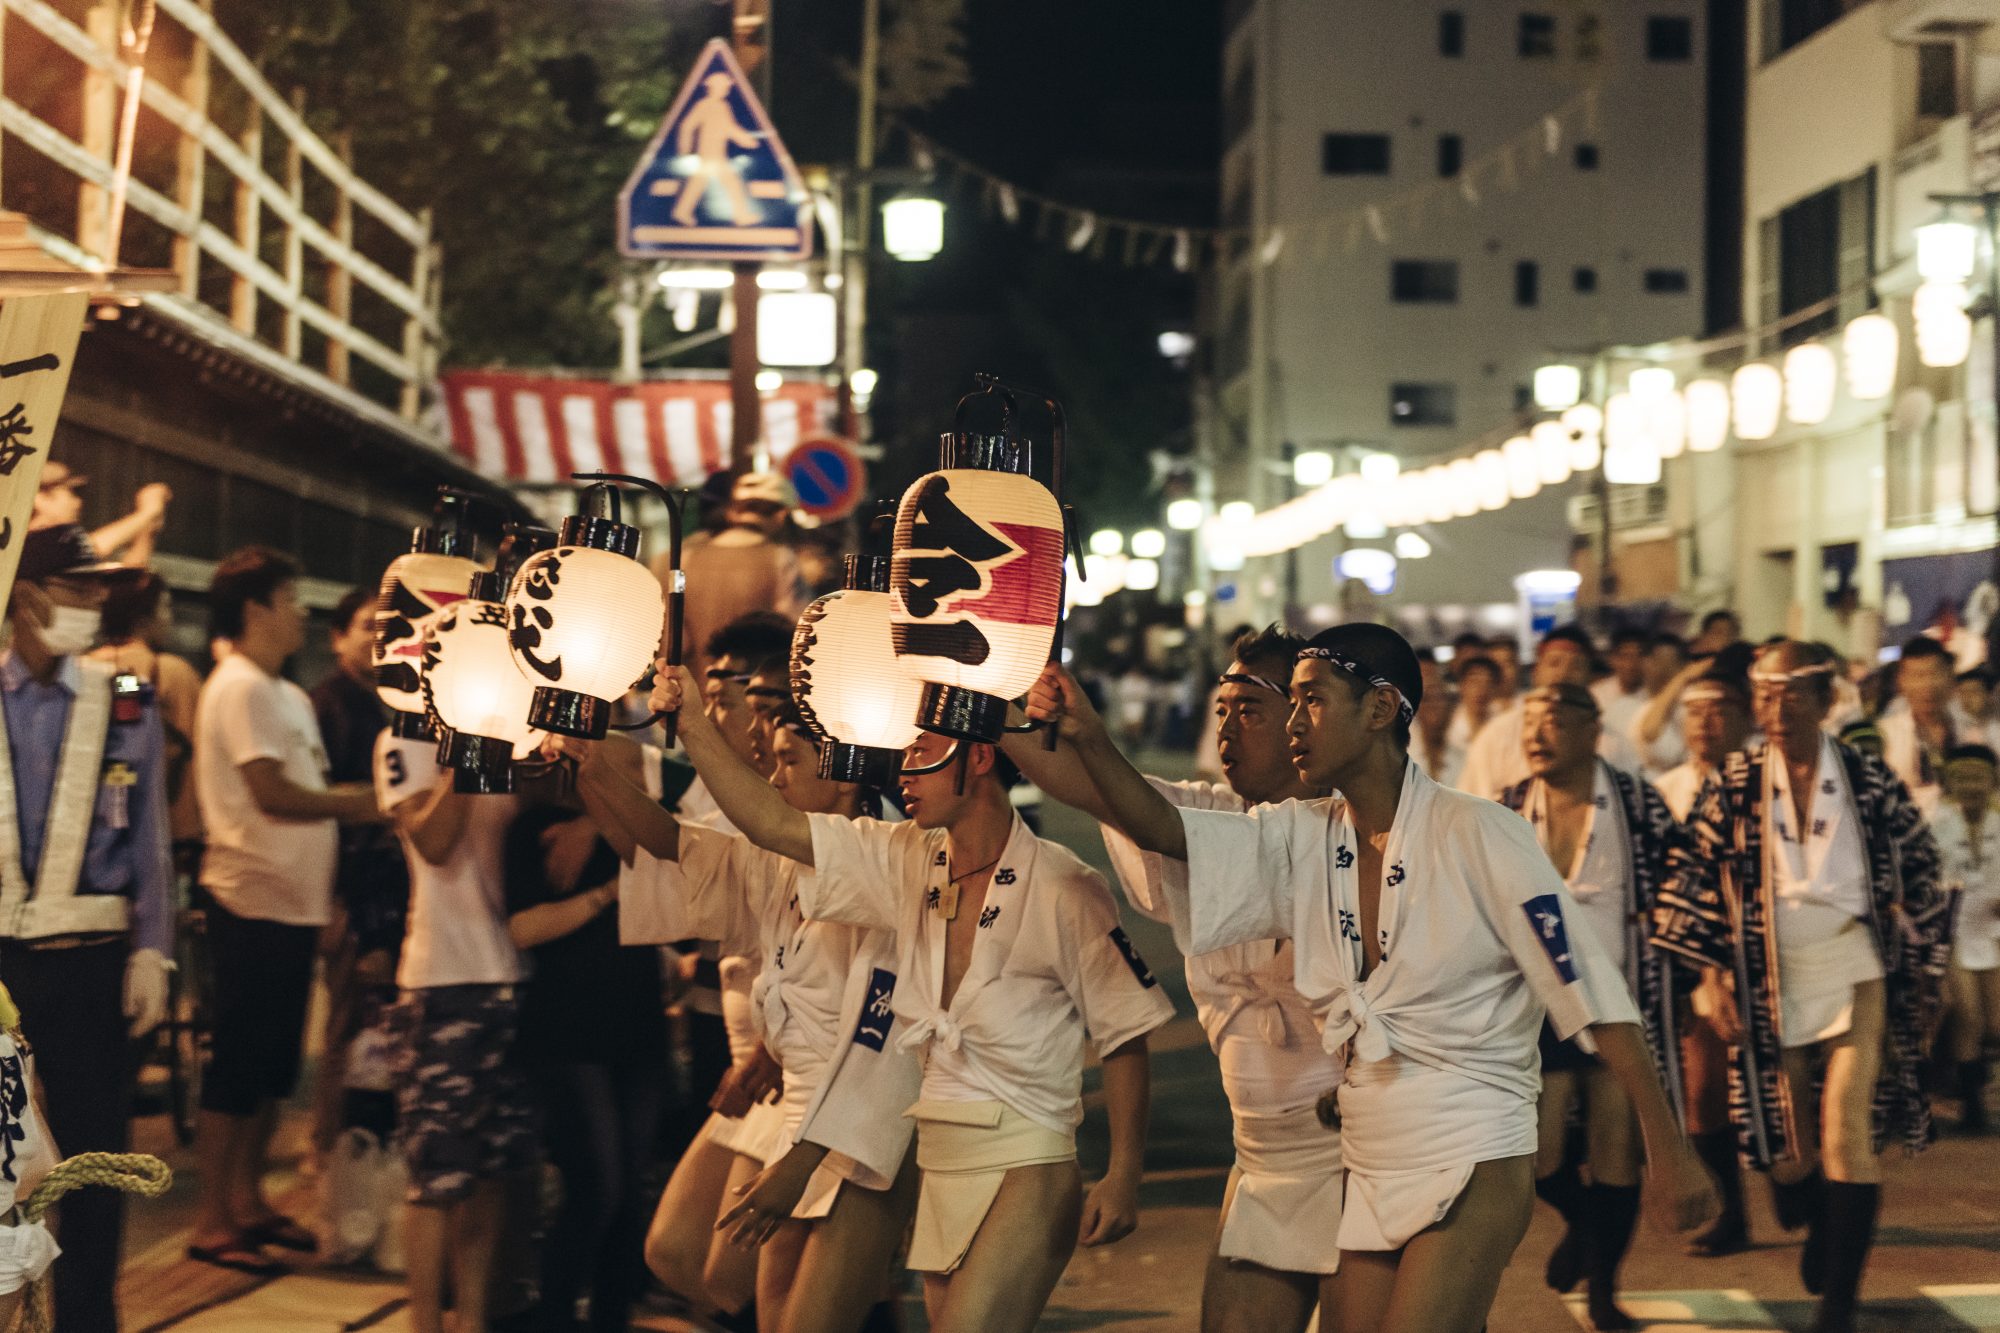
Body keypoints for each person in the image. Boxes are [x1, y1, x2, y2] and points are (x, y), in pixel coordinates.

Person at [1032, 623, 1715, 1333]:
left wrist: (1671, 1151)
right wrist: (1085, 734)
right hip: (1369, 1153)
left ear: (1382, 708)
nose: (1294, 723)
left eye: (1312, 701)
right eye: (1289, 704)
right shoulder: (1299, 834)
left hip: (1474, 1146)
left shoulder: (1481, 831)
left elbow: (1596, 998)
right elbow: (1163, 828)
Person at [648, 663, 1174, 1333]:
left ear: (979, 756)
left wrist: (1124, 1171)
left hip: (1029, 1155)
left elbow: (1124, 1032)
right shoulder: (906, 858)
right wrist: (692, 722)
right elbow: (776, 825)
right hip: (940, 1149)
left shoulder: (1063, 884)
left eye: (923, 755)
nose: (905, 773)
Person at [1003, 626, 1345, 1333]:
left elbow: (1151, 821)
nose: (1227, 727)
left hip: (1361, 1154)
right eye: (1221, 708)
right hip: (1260, 1155)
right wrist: (963, 666)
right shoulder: (1207, 813)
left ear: (1307, 717)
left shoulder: (1350, 830)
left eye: (1250, 709)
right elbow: (1080, 781)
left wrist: (1095, 739)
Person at [568, 712, 920, 1333]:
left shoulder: (884, 863)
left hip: (859, 1122)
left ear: (842, 777)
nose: (774, 776)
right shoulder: (777, 862)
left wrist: (689, 709)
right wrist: (594, 769)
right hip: (796, 1114)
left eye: (791, 761)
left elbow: (878, 1037)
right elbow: (677, 844)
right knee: (770, 1312)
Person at [1653, 640, 1953, 1333]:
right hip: (1764, 971)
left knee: (1847, 1128)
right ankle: (1819, 1214)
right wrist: (1711, 971)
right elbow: (1692, 873)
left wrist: (1917, 948)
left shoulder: (1869, 778)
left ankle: (1838, 1303)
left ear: (1825, 700)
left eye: (1793, 694)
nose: (1777, 709)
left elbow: (1923, 863)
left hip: (1852, 961)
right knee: (1787, 1154)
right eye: (1766, 695)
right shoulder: (1733, 781)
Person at [0, 525, 173, 1332]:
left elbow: (151, 839)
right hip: (2, 974)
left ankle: (89, 1321)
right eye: (79, 587)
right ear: (25, 596)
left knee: (96, 1166)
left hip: (94, 968)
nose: (99, 600)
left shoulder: (126, 690)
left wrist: (153, 951)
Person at [189, 548, 380, 1275]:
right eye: (291, 596)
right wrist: (367, 804)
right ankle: (212, 1214)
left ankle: (248, 1199)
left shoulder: (287, 695)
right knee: (237, 1064)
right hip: (250, 897)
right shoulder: (236, 687)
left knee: (272, 1067)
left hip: (294, 904)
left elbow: (311, 785)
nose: (302, 609)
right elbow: (272, 793)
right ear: (254, 609)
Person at [1500, 683, 1689, 1333]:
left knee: (1616, 1143)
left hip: (1621, 995)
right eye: (1530, 720)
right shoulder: (1507, 809)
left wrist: (1681, 979)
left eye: (1553, 720)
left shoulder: (1636, 803)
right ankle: (1581, 1225)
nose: (1538, 733)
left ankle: (1607, 1288)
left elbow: (1680, 885)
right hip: (1539, 1004)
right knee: (1537, 1151)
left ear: (1591, 729)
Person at [629, 615, 795, 1328]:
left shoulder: (826, 815)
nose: (758, 732)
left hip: (805, 1071)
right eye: (744, 709)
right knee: (678, 1252)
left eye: (767, 712)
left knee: (746, 1275)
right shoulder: (726, 794)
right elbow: (670, 845)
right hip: (752, 1056)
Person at [375, 697, 532, 1333]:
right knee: (437, 1174)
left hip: (515, 973)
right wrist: (471, 745)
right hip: (442, 981)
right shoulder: (405, 734)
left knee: (493, 1169)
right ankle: (423, 1324)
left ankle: (472, 1317)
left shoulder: (519, 725)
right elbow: (434, 841)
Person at [504, 768, 666, 1333]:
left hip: (639, 1027)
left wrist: (602, 823)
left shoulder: (639, 829)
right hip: (569, 1031)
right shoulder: (534, 828)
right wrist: (605, 894)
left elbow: (672, 873)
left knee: (629, 1193)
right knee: (597, 1185)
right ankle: (554, 1313)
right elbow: (524, 928)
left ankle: (609, 1317)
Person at [1653, 669, 1759, 1258]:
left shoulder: (1764, 783)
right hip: (1695, 957)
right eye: (1695, 713)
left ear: (1744, 719)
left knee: (1790, 1089)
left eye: (1718, 711)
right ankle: (1732, 1214)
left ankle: (1804, 1190)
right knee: (1704, 1090)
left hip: (1765, 953)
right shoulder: (1664, 789)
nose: (1705, 724)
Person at [306, 587, 409, 1162]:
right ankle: (328, 1151)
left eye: (388, 626)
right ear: (337, 636)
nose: (380, 637)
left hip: (384, 891)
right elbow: (320, 804)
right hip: (351, 892)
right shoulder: (328, 705)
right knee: (348, 1024)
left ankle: (357, 1147)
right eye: (368, 625)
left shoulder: (384, 702)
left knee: (373, 1022)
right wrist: (336, 900)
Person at [1458, 627, 1642, 799]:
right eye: (1554, 664)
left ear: (1589, 677)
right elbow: (1472, 805)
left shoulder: (1611, 742)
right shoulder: (1497, 736)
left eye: (1576, 666)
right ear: (1536, 672)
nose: (1564, 673)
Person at [90, 571, 202, 847]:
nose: (169, 618)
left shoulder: (83, 668)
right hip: (169, 825)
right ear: (142, 617)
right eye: (164, 607)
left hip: (98, 825)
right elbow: (196, 747)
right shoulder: (172, 671)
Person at [666, 472, 804, 683]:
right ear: (782, 515)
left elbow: (677, 640)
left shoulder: (688, 557)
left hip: (696, 691)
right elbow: (794, 634)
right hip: (754, 694)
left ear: (733, 512)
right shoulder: (780, 559)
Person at [1932, 743, 2000, 1134]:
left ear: (1992, 782)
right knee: (1968, 1015)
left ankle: (1978, 1089)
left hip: (1992, 933)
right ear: (1949, 783)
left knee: (1995, 1022)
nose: (1971, 785)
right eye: (1962, 777)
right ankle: (1973, 1109)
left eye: (1979, 777)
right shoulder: (1937, 826)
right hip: (1953, 932)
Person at [1878, 635, 1992, 813]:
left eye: (1935, 674)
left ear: (1949, 676)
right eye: (1917, 676)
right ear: (1901, 681)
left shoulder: (1975, 731)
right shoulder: (1885, 735)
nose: (1927, 685)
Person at [29, 463, 172, 569]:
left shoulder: (67, 558)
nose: (77, 503)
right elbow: (92, 547)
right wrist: (148, 512)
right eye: (70, 493)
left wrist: (147, 531)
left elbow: (130, 578)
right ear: (40, 498)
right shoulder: (31, 544)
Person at [1592, 629, 1652, 748]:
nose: (1631, 664)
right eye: (1625, 656)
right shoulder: (1596, 695)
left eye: (1638, 656)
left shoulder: (1655, 695)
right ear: (1612, 659)